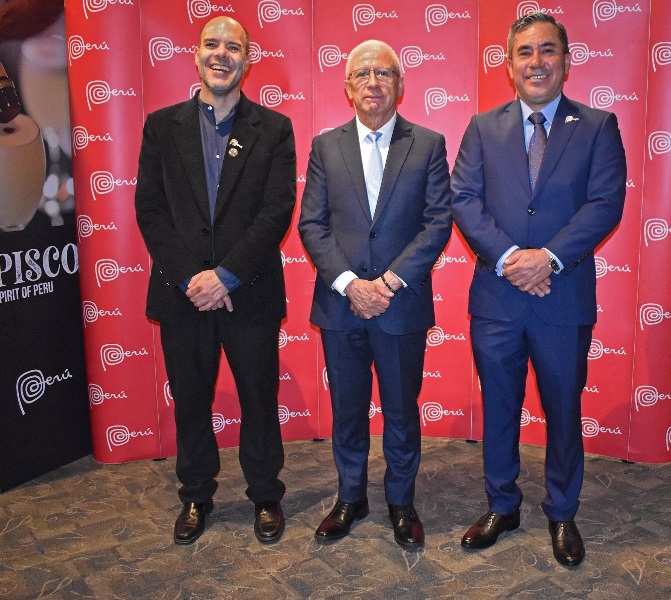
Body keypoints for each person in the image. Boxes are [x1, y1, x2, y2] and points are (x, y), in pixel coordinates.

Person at [450, 12, 626, 566]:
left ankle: (562, 511)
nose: (536, 62)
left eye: (547, 50)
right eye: (524, 52)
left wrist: (546, 258)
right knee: (500, 408)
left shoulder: (597, 125)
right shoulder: (482, 127)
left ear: (566, 61)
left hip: (562, 297)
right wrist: (510, 259)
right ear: (509, 65)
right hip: (497, 299)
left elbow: (605, 203)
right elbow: (464, 200)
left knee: (563, 410)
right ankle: (502, 505)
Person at [135, 16, 296, 546]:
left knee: (259, 399)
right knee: (190, 400)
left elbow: (276, 211)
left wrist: (225, 276)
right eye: (212, 44)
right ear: (196, 54)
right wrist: (193, 279)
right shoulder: (161, 126)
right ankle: (196, 494)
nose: (221, 54)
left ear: (248, 60)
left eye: (233, 46)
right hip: (182, 295)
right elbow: (150, 210)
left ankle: (266, 493)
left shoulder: (275, 128)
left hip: (248, 291)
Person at [298, 40, 452, 549]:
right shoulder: (326, 146)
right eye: (362, 74)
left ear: (400, 85)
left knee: (401, 411)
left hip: (400, 304)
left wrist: (386, 283)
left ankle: (401, 502)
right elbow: (312, 224)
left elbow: (437, 222)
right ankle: (350, 497)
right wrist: (350, 284)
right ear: (348, 87)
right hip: (340, 305)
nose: (372, 82)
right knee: (347, 409)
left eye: (383, 73)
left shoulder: (427, 144)